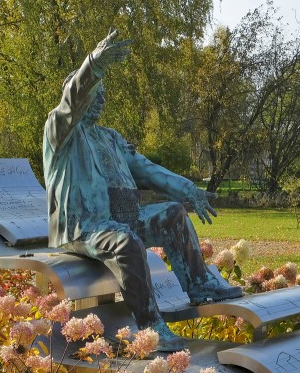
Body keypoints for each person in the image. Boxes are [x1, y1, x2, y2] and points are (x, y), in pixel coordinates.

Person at [43, 29, 242, 352]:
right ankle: (152, 329)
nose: (102, 99)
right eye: (96, 91)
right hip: (85, 225)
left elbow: (147, 169)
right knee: (126, 241)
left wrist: (187, 189)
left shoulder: (111, 138)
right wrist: (94, 64)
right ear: (80, 94)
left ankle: (200, 284)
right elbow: (71, 103)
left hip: (121, 218)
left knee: (173, 214)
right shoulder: (61, 131)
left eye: (104, 92)